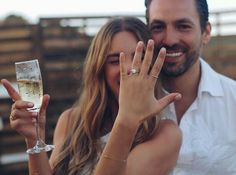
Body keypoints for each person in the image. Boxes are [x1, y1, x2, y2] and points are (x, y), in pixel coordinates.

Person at [1, 17, 182, 175]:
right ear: (100, 69)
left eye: (139, 59)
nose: (128, 69)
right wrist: (33, 140)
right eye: (114, 61)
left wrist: (127, 120)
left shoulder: (165, 134)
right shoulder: (71, 120)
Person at [144, 0, 236, 174]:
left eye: (183, 26)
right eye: (158, 27)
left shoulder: (233, 100)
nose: (169, 40)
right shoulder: (124, 103)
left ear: (206, 32)